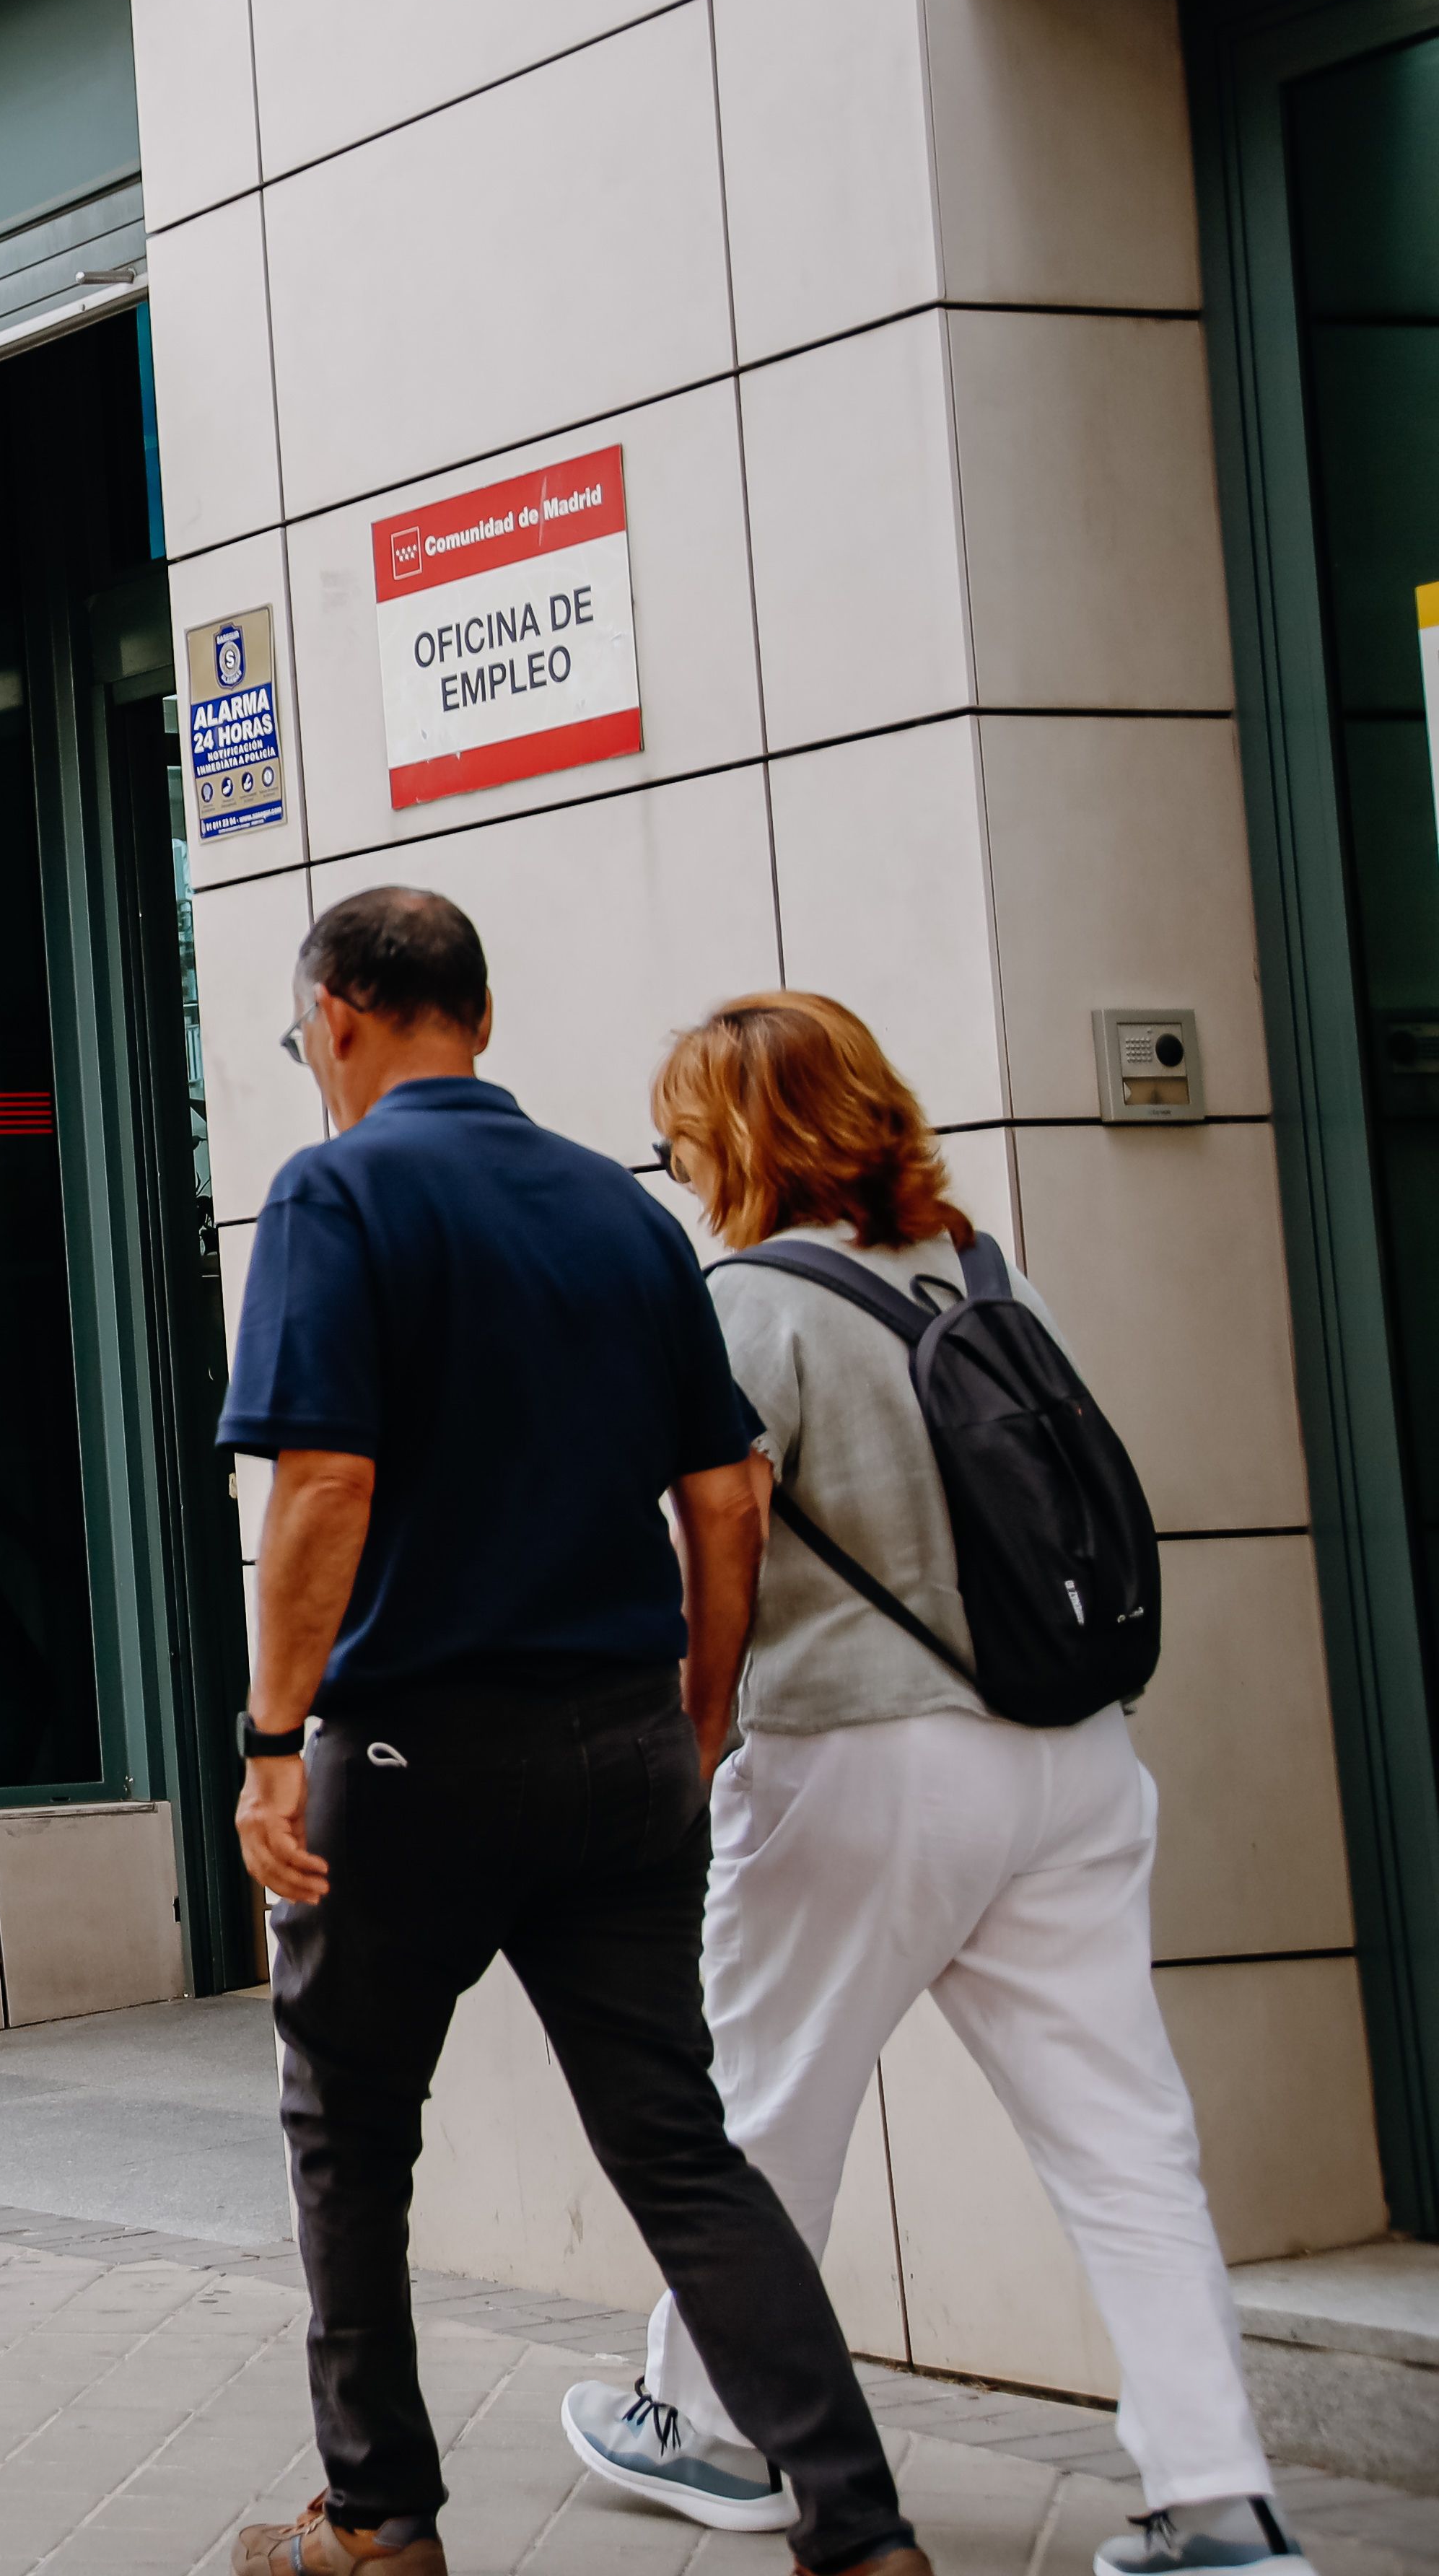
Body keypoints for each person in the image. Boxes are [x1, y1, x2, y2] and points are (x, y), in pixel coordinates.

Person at [220, 888, 923, 2576]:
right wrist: (697, 1718)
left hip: (411, 1753)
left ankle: (380, 2518)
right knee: (679, 2142)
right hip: (623, 1748)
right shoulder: (623, 1211)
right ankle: (860, 2526)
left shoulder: (336, 1188)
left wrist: (271, 1738)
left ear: (338, 1015)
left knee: (350, 2131)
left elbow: (324, 1482)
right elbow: (725, 1495)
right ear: (479, 1018)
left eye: (304, 1036)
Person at [561, 993, 1306, 2576]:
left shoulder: (749, 1302)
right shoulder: (984, 1273)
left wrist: (694, 1732)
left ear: (740, 1136)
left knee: (762, 2106)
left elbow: (718, 1529)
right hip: (1072, 1756)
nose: (679, 1165)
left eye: (684, 1135)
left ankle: (715, 2424)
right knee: (1127, 2140)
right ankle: (1219, 2502)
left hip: (865, 1760)